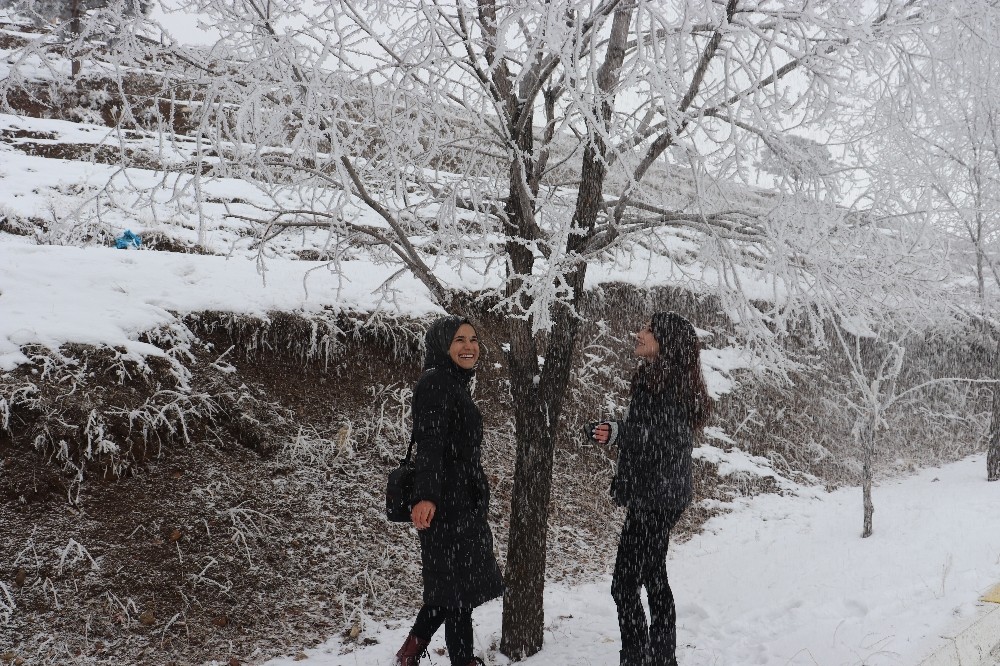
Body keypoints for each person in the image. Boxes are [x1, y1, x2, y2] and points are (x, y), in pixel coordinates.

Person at [588, 312, 712, 666]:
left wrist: (620, 433)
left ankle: (640, 658)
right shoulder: (661, 377)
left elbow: (663, 438)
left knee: (625, 584)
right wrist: (616, 431)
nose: (639, 333)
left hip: (657, 497)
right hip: (659, 493)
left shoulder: (670, 383)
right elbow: (650, 431)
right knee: (653, 577)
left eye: (648, 330)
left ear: (666, 343)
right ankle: (660, 657)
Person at [394, 315, 503, 666]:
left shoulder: (451, 381)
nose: (469, 347)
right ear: (442, 346)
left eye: (473, 339)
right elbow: (430, 443)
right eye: (459, 340)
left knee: (454, 587)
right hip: (446, 503)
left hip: (460, 500)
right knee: (457, 590)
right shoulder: (437, 383)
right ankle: (459, 660)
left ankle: (411, 653)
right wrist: (426, 496)